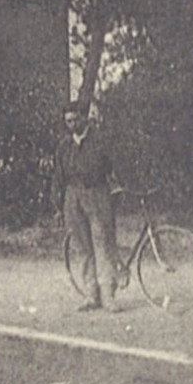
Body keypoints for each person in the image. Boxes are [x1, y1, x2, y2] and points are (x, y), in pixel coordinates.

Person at [57, 101, 120, 312]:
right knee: (82, 247)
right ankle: (91, 295)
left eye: (75, 120)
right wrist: (58, 205)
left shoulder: (99, 140)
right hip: (73, 198)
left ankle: (108, 295)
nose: (72, 125)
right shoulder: (64, 146)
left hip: (97, 195)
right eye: (68, 121)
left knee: (103, 245)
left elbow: (110, 167)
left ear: (84, 118)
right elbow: (58, 177)